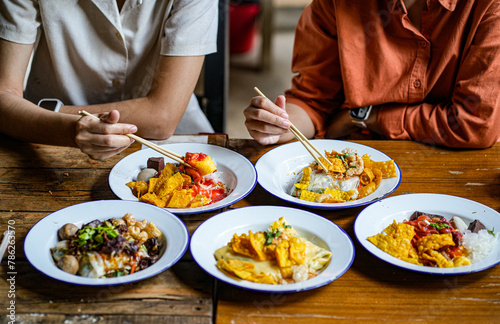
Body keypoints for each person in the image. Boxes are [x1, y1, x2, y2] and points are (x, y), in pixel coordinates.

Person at [244, 0, 500, 149]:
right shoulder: (333, 5)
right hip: (357, 157)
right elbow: (313, 103)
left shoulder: (488, 6)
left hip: (456, 163)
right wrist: (278, 124)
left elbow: (474, 125)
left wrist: (366, 116)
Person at [0, 0, 218, 160]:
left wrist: (46, 114)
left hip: (169, 140)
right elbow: (4, 97)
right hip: (47, 141)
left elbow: (162, 117)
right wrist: (67, 128)